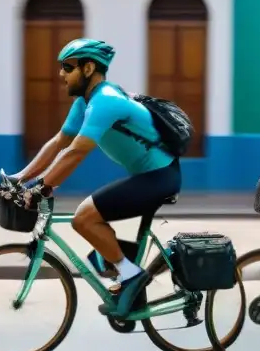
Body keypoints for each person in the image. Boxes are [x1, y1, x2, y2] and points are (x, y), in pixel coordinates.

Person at [11, 38, 182, 319]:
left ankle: (132, 277)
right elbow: (59, 143)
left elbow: (76, 152)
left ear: (88, 68)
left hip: (160, 176)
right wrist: (20, 179)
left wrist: (42, 186)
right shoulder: (85, 102)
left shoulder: (105, 102)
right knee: (95, 236)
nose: (61, 74)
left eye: (68, 67)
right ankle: (130, 287)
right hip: (149, 176)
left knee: (84, 218)